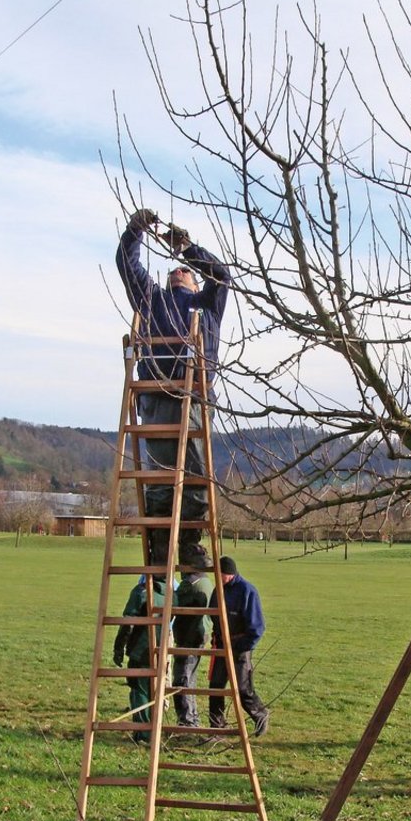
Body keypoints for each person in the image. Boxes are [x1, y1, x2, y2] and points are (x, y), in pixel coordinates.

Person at [116, 209, 230, 569]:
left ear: (196, 283)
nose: (179, 272)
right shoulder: (152, 299)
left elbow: (222, 275)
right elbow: (126, 263)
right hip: (156, 395)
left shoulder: (207, 305)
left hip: (193, 396)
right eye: (175, 271)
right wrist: (137, 228)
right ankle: (161, 541)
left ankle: (190, 542)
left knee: (195, 474)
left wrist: (186, 248)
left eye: (187, 272)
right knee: (162, 474)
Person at [207, 557, 269, 737]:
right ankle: (216, 729)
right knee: (216, 686)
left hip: (240, 647)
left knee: (242, 688)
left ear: (229, 573)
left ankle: (261, 715)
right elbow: (213, 613)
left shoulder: (247, 591)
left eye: (220, 575)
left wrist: (242, 646)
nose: (217, 578)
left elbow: (257, 627)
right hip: (220, 645)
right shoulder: (218, 590)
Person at [112, 575, 168, 745]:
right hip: (162, 647)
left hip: (140, 649)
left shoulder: (141, 592)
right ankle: (153, 730)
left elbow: (128, 622)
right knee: (154, 690)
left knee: (139, 690)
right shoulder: (170, 593)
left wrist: (118, 647)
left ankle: (143, 734)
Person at [172, 570, 210, 728]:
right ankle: (192, 718)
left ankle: (187, 722)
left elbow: (174, 600)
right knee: (190, 677)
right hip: (200, 634)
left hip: (189, 635)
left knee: (182, 679)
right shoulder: (206, 581)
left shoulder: (190, 584)